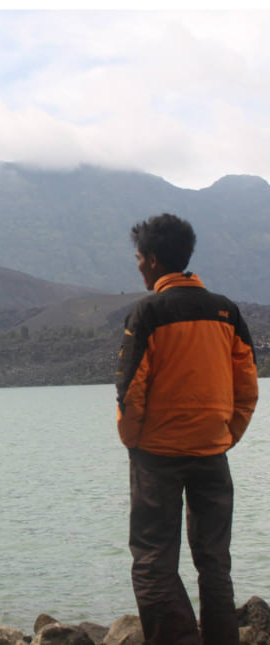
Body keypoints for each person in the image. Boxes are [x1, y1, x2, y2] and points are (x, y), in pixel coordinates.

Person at [115, 213, 259, 645]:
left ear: (153, 260)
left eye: (138, 259)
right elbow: (247, 386)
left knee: (152, 561)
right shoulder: (225, 311)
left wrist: (134, 441)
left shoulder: (148, 312)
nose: (138, 267)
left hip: (157, 455)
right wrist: (226, 435)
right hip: (212, 453)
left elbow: (131, 390)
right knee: (214, 562)